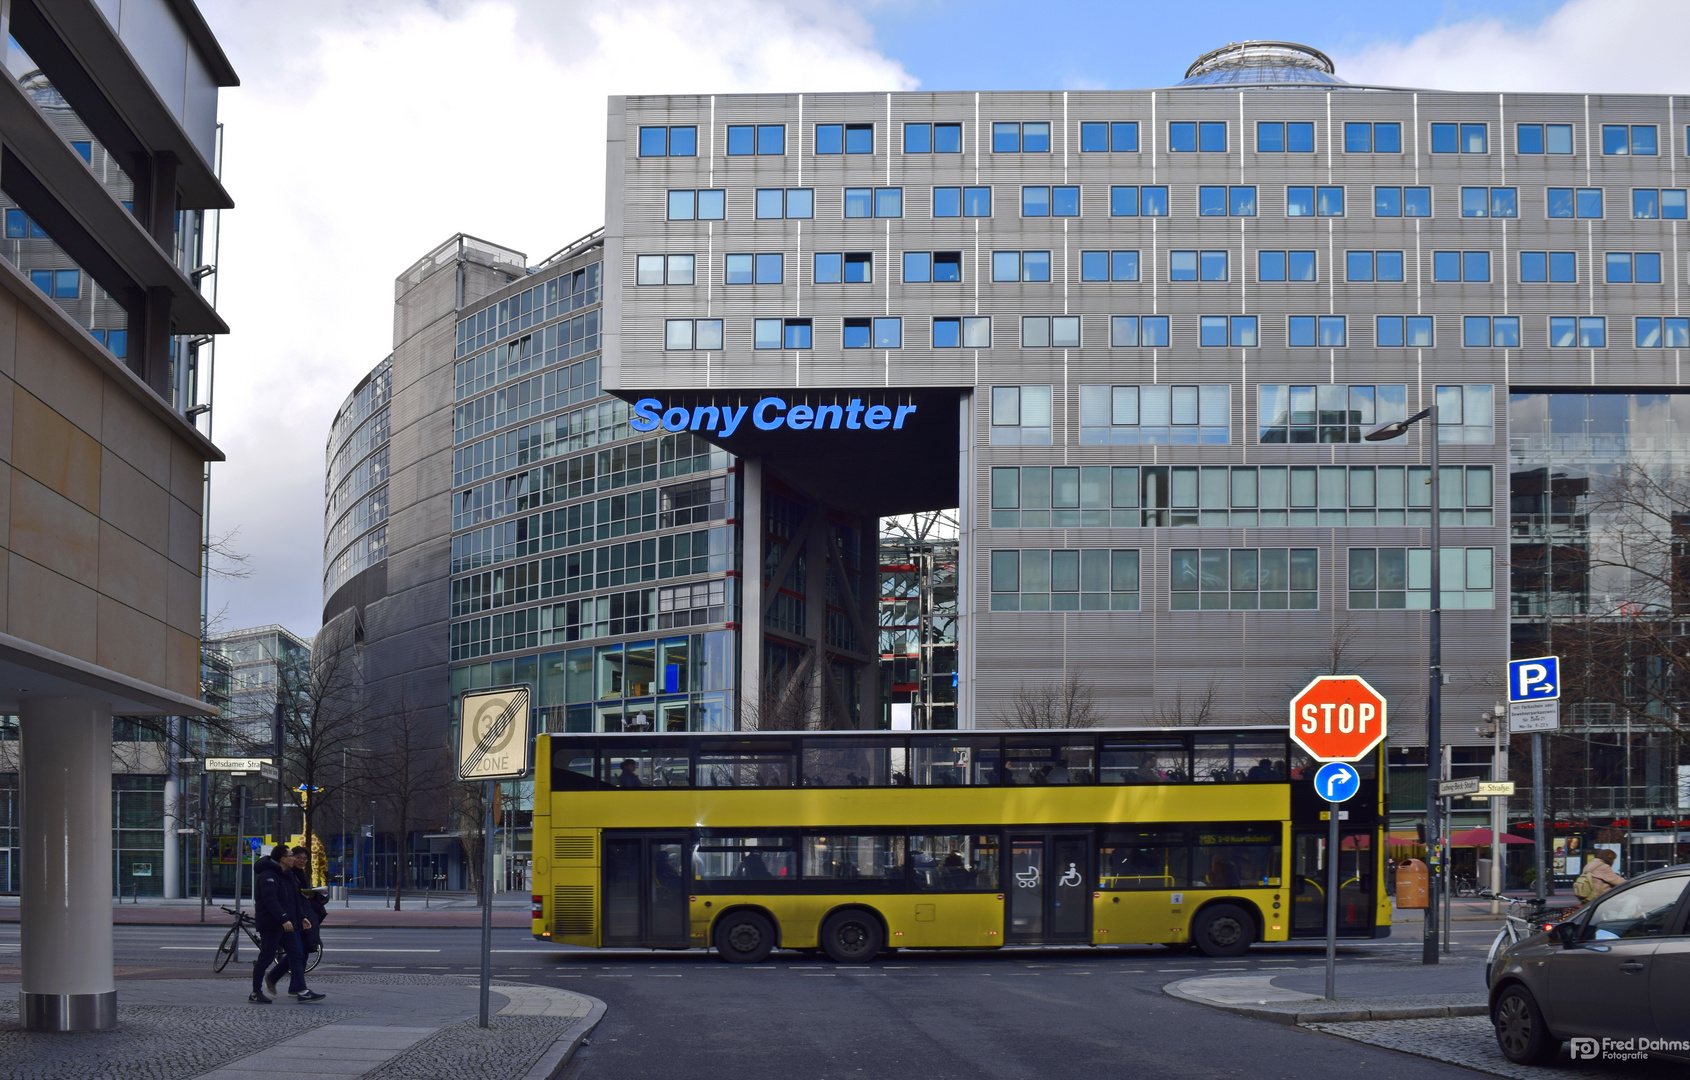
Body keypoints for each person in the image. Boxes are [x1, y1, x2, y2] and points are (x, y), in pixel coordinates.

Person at [251, 845, 324, 1004]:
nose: (295, 859)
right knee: (266, 957)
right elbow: (271, 902)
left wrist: (302, 917)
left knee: (297, 953)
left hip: (289, 924)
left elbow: (296, 900)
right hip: (272, 925)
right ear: (283, 859)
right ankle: (256, 992)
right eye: (291, 856)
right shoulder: (268, 876)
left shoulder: (288, 875)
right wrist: (284, 919)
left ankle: (302, 991)